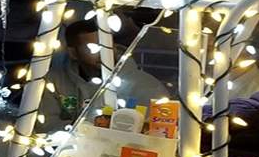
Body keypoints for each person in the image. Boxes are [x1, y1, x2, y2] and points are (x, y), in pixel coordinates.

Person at [38, 19, 167, 131]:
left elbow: (157, 131)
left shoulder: (147, 86)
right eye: (93, 47)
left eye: (108, 45)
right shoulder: (54, 81)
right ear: (73, 53)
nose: (104, 52)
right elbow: (45, 125)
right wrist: (86, 130)